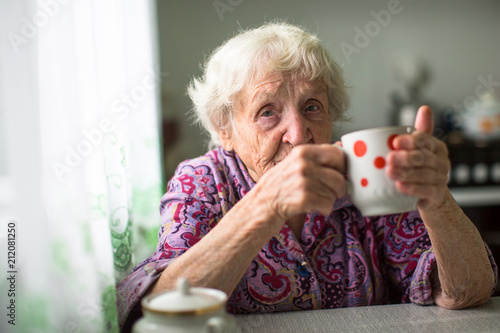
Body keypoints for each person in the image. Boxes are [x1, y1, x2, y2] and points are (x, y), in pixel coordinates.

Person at [116, 22, 497, 330]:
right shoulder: (202, 181)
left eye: (312, 106)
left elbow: (466, 293)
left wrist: (435, 198)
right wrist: (267, 203)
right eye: (268, 111)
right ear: (224, 129)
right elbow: (158, 307)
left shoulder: (366, 175)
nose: (298, 133)